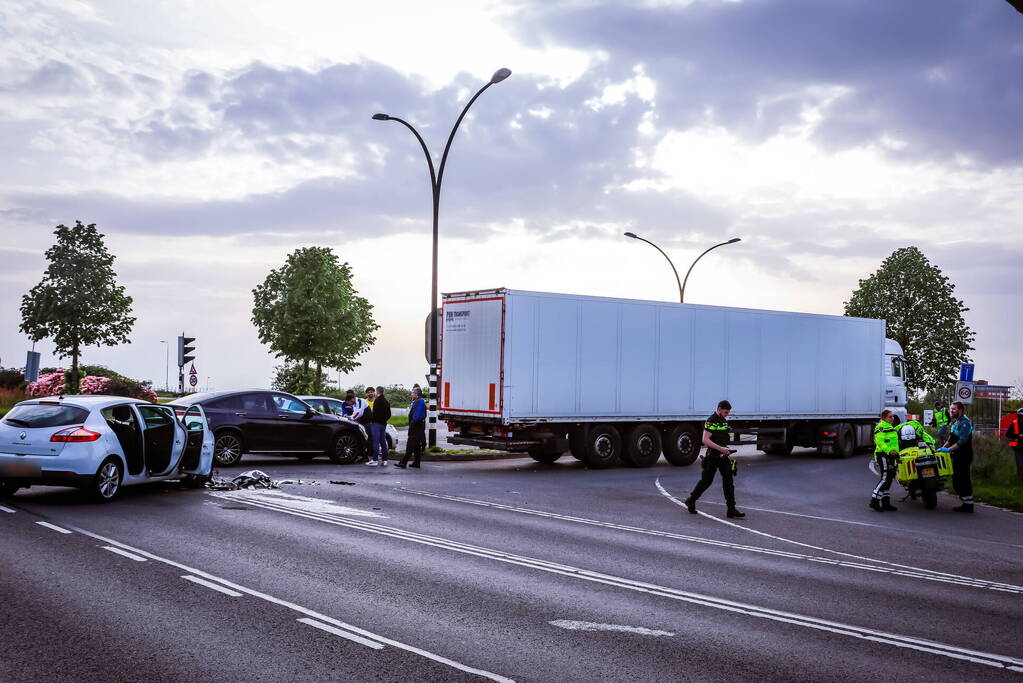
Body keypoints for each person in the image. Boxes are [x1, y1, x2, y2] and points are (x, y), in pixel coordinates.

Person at [684, 400, 744, 519]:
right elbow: (705, 440)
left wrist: (726, 449)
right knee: (706, 481)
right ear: (719, 409)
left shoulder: (723, 421)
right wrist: (721, 448)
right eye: (726, 412)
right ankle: (691, 500)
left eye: (728, 412)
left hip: (723, 456)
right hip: (713, 456)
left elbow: (722, 435)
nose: (727, 414)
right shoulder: (711, 421)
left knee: (729, 481)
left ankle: (731, 509)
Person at [939, 400, 974, 513]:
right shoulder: (956, 422)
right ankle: (965, 501)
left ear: (960, 410)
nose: (951, 411)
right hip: (957, 455)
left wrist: (948, 450)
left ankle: (968, 504)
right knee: (956, 479)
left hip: (964, 455)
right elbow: (951, 439)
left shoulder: (965, 422)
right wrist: (942, 449)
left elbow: (962, 441)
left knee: (963, 479)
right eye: (951, 409)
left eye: (954, 409)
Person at [870, 409, 900, 512]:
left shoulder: (890, 427)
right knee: (885, 478)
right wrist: (889, 451)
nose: (892, 418)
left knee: (889, 478)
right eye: (890, 416)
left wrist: (896, 454)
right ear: (884, 418)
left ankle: (886, 503)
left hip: (891, 456)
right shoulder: (881, 427)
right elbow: (880, 442)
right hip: (883, 455)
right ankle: (874, 501)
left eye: (893, 416)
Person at [398, 386, 427, 469]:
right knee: (416, 446)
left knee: (410, 445)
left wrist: (412, 425)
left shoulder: (420, 402)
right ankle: (416, 462)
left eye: (412, 393)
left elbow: (417, 416)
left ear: (416, 394)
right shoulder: (417, 401)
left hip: (416, 426)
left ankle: (403, 462)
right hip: (417, 426)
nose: (411, 394)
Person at [368, 385, 392, 467]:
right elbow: (389, 414)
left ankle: (375, 460)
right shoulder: (386, 401)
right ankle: (385, 460)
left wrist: (373, 420)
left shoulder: (377, 401)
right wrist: (384, 420)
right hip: (383, 424)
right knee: (383, 442)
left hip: (376, 424)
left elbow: (374, 413)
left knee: (375, 442)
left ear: (377, 392)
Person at [1006, 408, 1023, 480]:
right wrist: (1018, 436)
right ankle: (1019, 477)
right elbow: (1008, 434)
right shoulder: (1014, 423)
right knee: (1020, 464)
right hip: (1017, 447)